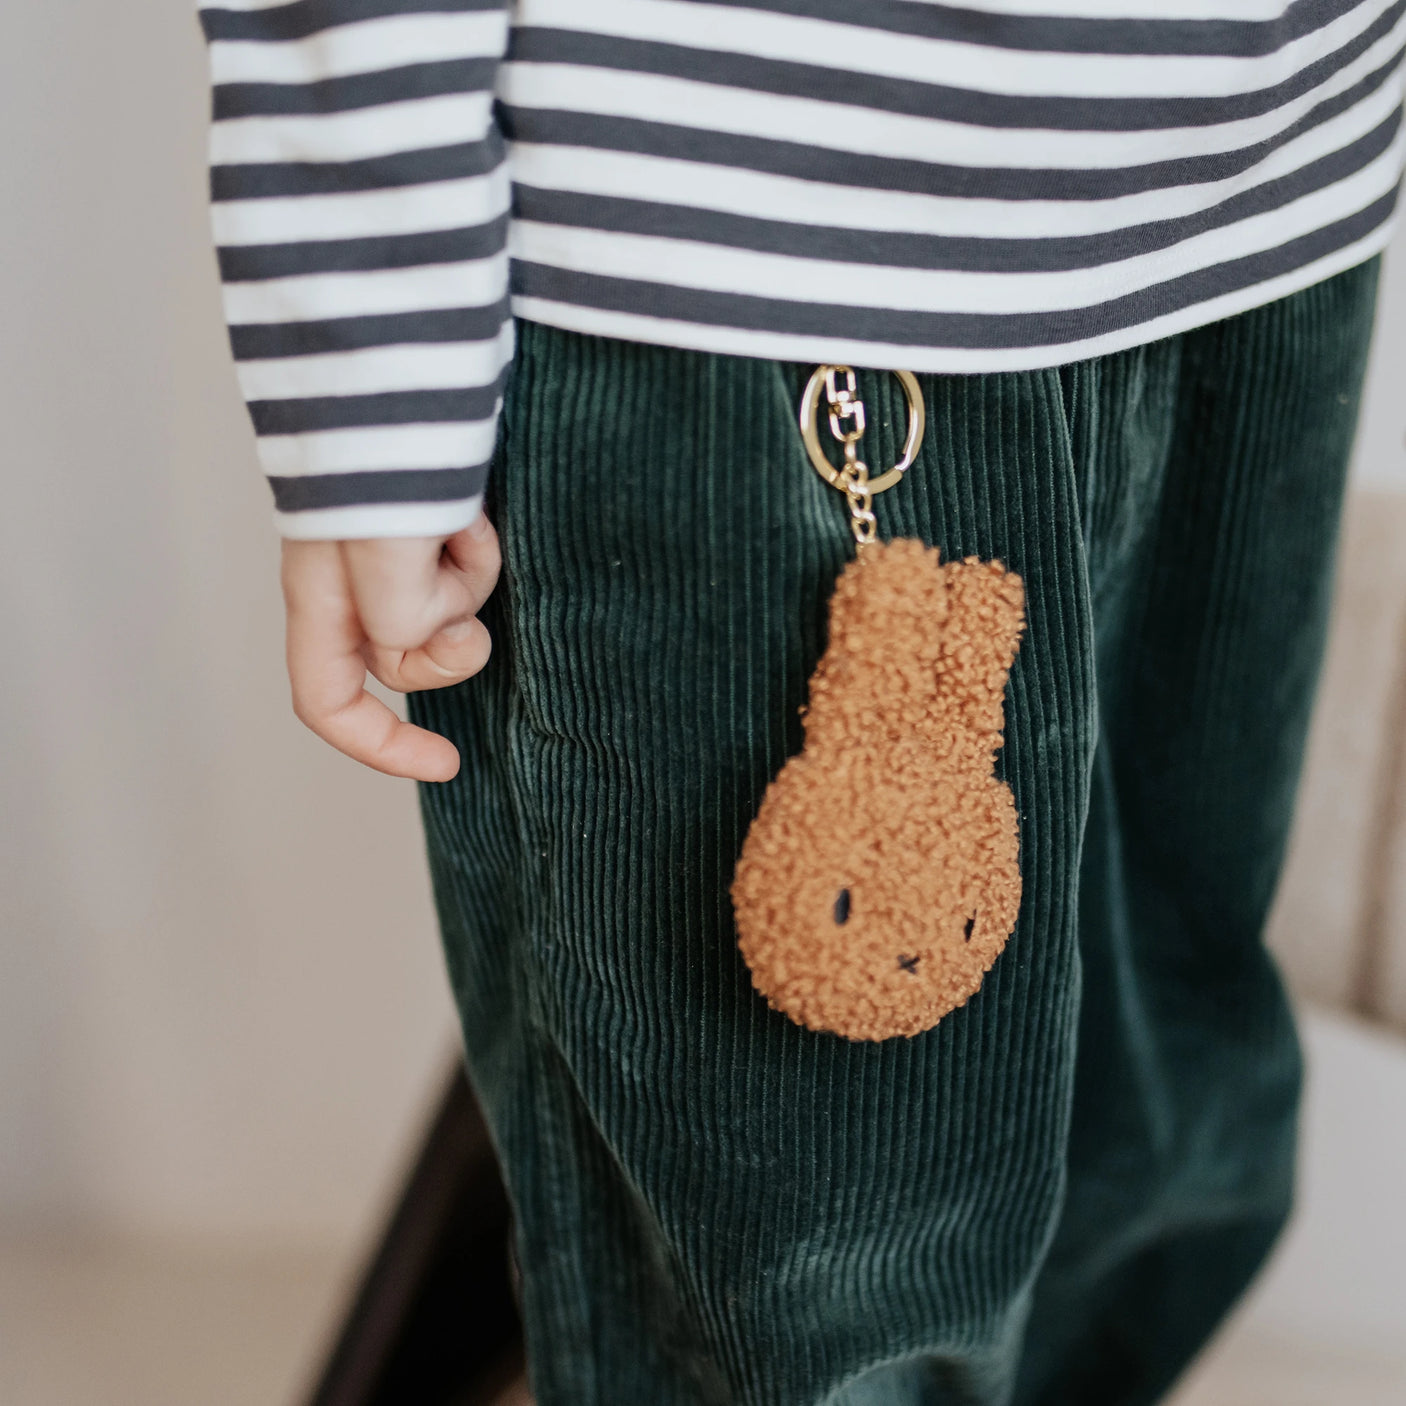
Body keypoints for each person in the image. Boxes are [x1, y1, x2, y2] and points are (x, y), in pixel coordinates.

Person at [196, 2, 1403, 1402]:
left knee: (1154, 1108)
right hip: (755, 250)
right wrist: (373, 366)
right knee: (804, 1245)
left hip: (1266, 194)